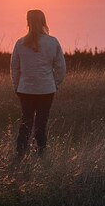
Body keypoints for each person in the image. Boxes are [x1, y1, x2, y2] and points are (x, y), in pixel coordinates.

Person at [11, 9, 66, 159]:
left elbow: (15, 67)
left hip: (25, 90)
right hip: (46, 90)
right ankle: (40, 156)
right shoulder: (52, 42)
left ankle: (20, 156)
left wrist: (17, 86)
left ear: (28, 22)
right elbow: (61, 67)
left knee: (26, 123)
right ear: (43, 21)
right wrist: (54, 84)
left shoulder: (20, 43)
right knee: (41, 125)